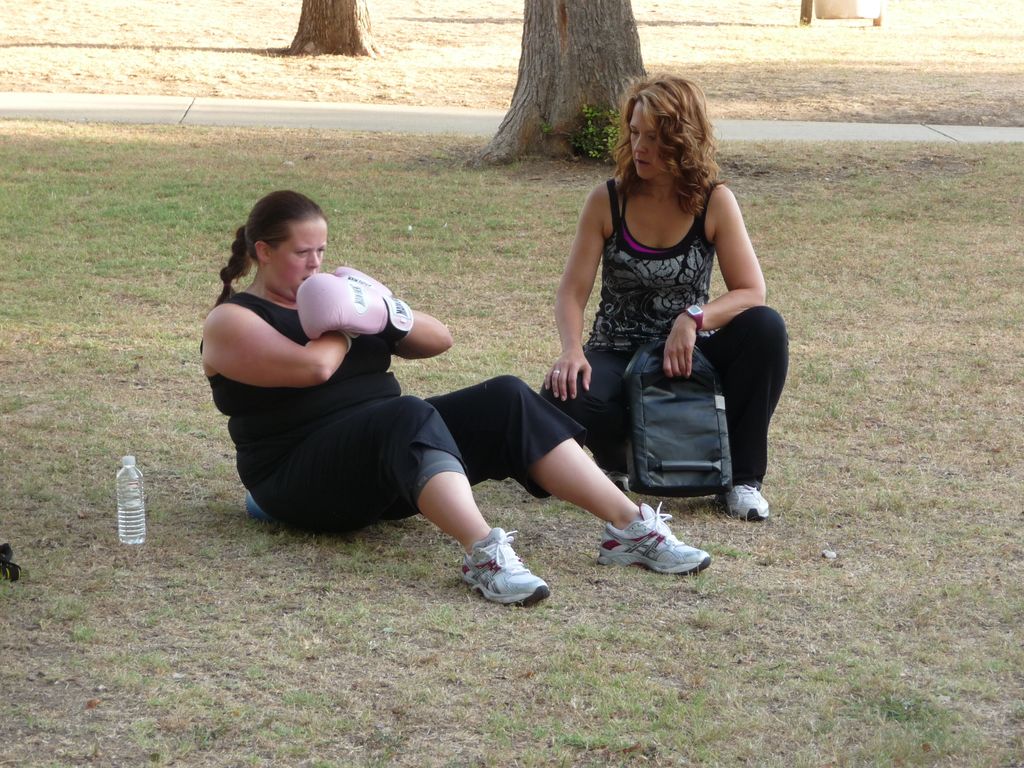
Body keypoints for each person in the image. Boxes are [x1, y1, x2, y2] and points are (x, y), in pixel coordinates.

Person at [201, 190, 713, 607]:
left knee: (506, 396)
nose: (316, 264)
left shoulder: (338, 295)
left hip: (383, 465)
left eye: (322, 251)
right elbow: (315, 368)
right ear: (263, 252)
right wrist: (340, 318)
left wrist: (384, 312)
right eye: (301, 253)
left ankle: (630, 528)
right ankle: (483, 554)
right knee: (406, 413)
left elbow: (439, 339)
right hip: (299, 480)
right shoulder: (232, 321)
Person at [542, 76, 788, 521]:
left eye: (655, 137)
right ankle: (618, 461)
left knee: (766, 327)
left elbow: (752, 291)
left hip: (689, 354)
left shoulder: (714, 200)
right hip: (617, 350)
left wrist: (693, 317)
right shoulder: (607, 200)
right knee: (562, 393)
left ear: (683, 139)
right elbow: (571, 293)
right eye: (635, 133)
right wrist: (572, 351)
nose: (640, 147)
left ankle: (743, 479)